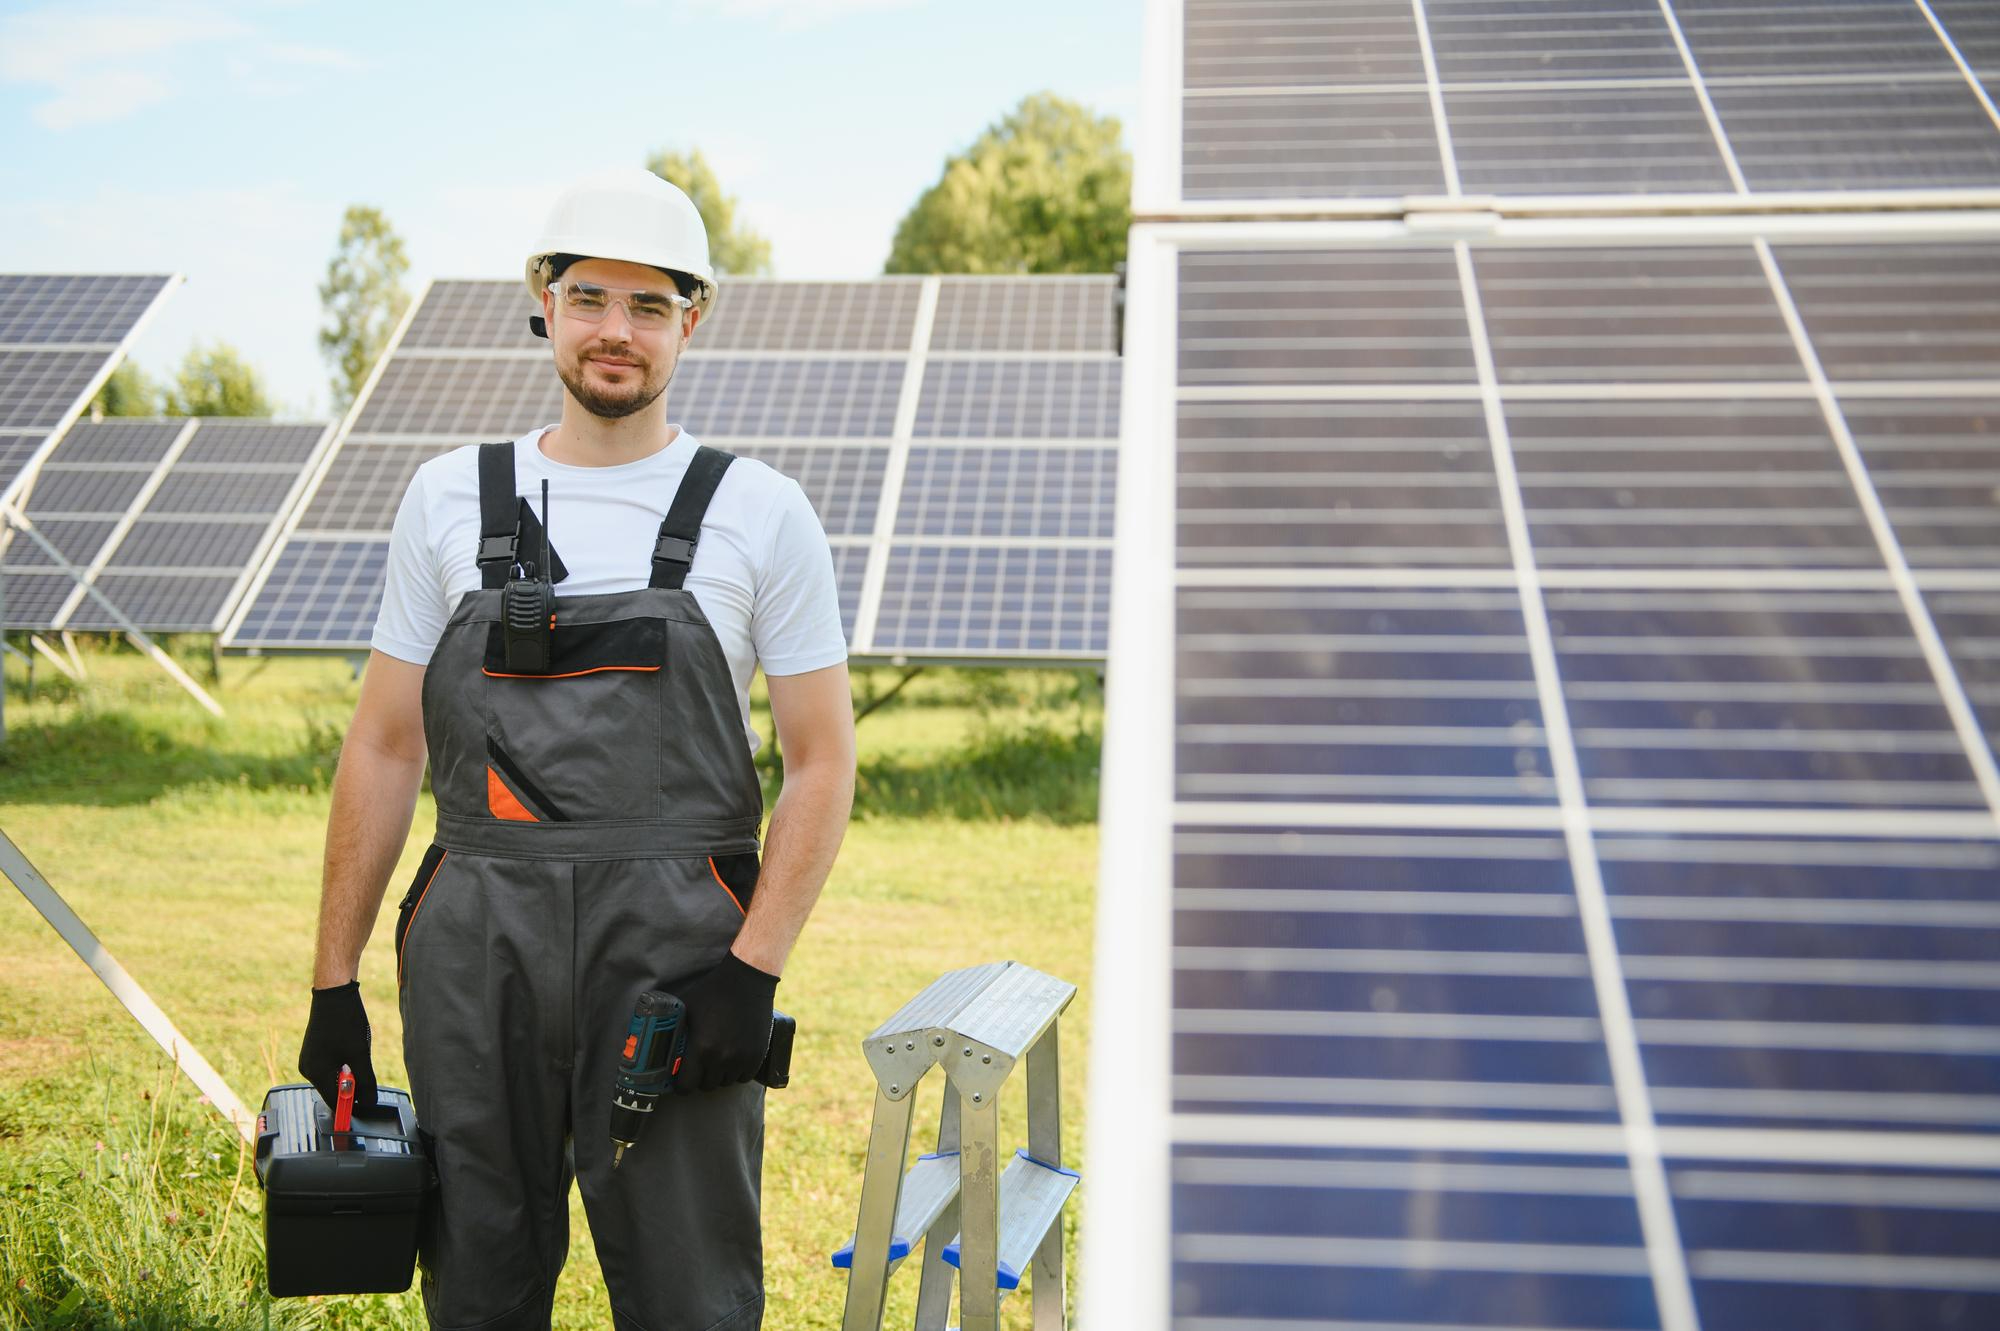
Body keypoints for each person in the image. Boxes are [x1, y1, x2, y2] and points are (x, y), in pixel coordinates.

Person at [295, 167, 857, 1331]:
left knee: (688, 1294)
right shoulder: (447, 497)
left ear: (690, 322)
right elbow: (387, 744)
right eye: (592, 296)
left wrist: (752, 969)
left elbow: (821, 762)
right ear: (543, 300)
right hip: (472, 942)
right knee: (479, 1282)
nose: (617, 331)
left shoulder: (761, 512)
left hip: (675, 953)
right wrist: (333, 976)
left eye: (650, 307)